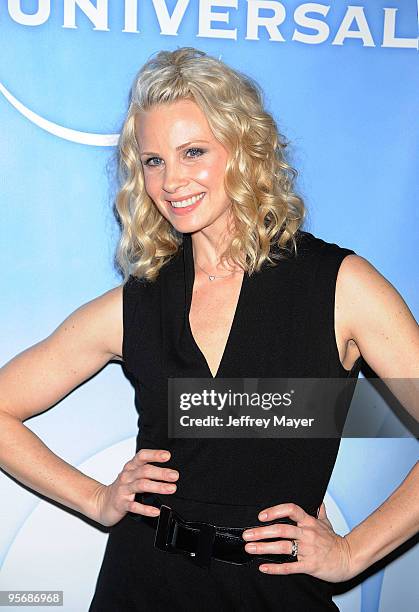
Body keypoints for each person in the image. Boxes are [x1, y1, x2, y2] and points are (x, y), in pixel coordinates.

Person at [0, 47, 417, 612]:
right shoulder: (137, 305)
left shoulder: (340, 286)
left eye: (192, 151)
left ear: (244, 150)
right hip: (141, 586)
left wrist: (352, 554)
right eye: (152, 161)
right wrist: (97, 498)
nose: (172, 180)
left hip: (276, 593)